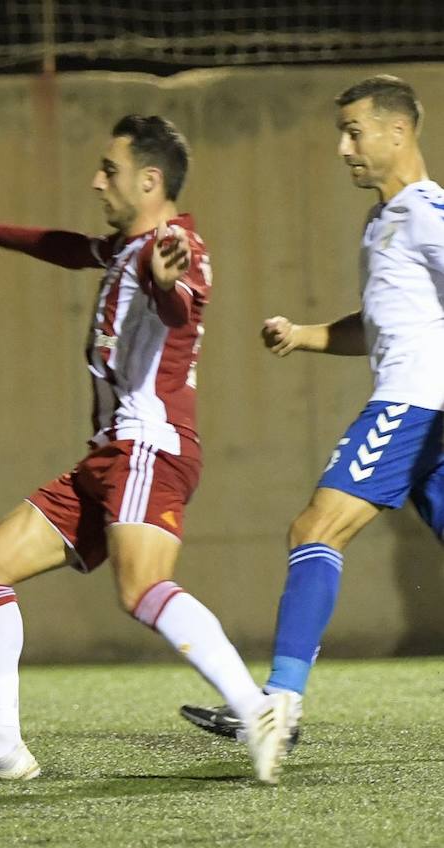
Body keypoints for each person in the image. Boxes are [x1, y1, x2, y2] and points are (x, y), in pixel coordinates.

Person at [0, 115, 296, 785]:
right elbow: (71, 247)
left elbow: (181, 304)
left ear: (150, 180)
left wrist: (162, 280)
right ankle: (1, 748)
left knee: (142, 587)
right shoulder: (124, 248)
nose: (97, 180)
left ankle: (253, 708)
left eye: (111, 169)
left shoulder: (175, 243)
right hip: (108, 454)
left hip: (149, 445)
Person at [181, 75, 444, 743]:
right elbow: (387, 324)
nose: (342, 147)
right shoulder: (383, 221)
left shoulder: (425, 212)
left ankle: (278, 707)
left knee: (314, 530)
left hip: (416, 407)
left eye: (353, 131)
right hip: (425, 417)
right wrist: (304, 335)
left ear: (398, 132)